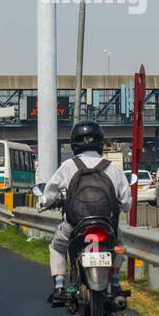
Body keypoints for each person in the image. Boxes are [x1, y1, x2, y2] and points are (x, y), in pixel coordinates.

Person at [35, 120, 132, 306]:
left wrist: (43, 203)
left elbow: (50, 191)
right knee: (118, 245)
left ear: (74, 143)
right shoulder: (113, 168)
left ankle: (59, 286)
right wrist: (124, 208)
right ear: (100, 142)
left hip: (75, 225)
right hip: (107, 224)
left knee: (57, 247)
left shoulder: (69, 165)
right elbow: (127, 202)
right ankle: (115, 282)